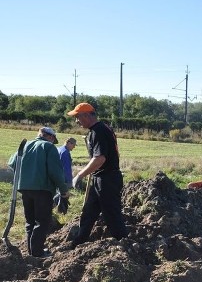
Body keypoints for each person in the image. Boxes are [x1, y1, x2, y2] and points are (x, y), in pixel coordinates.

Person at [67, 103, 128, 246]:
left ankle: (124, 245)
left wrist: (80, 175)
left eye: (77, 117)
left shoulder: (98, 131)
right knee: (88, 212)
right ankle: (78, 242)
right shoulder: (99, 129)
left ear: (87, 115)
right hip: (99, 178)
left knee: (112, 215)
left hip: (107, 180)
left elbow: (99, 159)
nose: (76, 121)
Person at [7, 127, 70, 257]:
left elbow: (12, 163)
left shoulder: (24, 145)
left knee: (30, 221)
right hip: (43, 189)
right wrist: (63, 190)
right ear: (51, 137)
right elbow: (55, 172)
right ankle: (37, 252)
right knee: (42, 221)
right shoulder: (48, 147)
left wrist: (25, 177)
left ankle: (31, 251)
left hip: (24, 188)